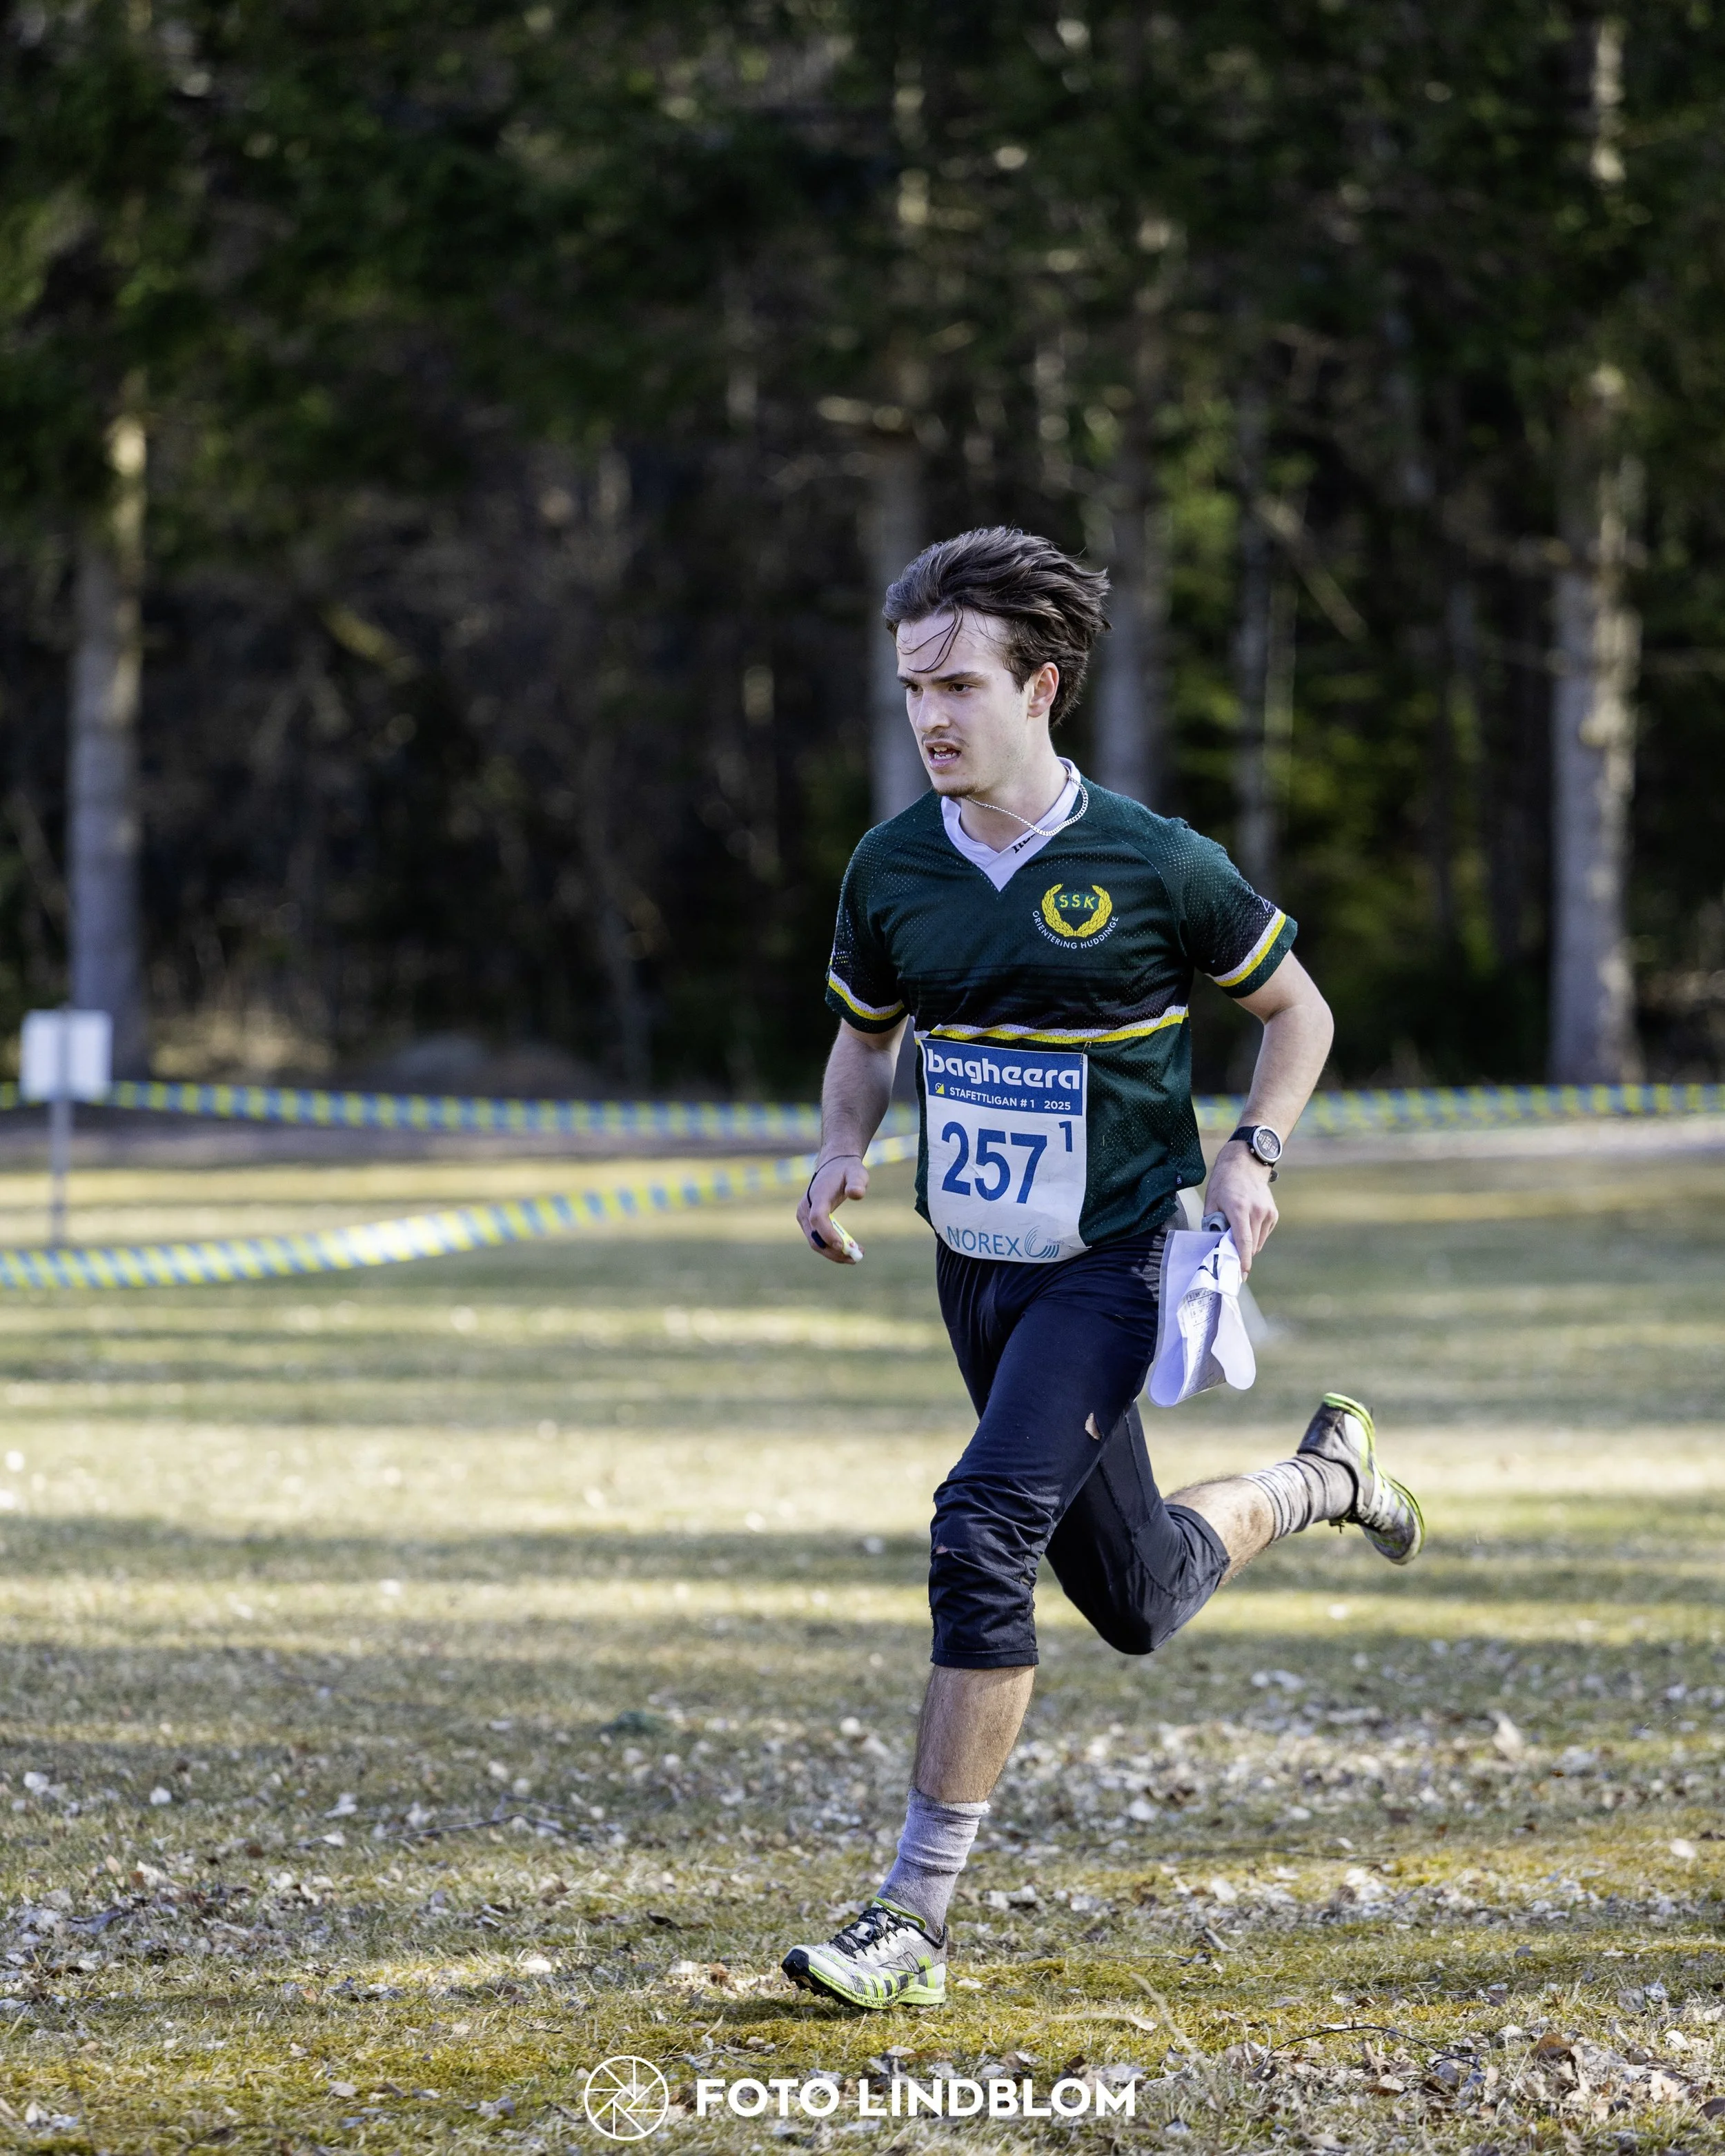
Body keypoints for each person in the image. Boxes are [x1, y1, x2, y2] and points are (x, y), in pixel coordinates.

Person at [778, 526, 1423, 2012]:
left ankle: (910, 1920)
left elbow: (1297, 1012)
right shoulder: (890, 866)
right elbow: (864, 1039)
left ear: (1040, 686)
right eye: (907, 689)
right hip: (977, 1273)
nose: (928, 716)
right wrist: (836, 1148)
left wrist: (1250, 1152)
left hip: (1115, 1263)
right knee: (1135, 1596)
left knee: (976, 1529)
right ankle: (1323, 1476)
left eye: (955, 684)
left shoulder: (1153, 859)